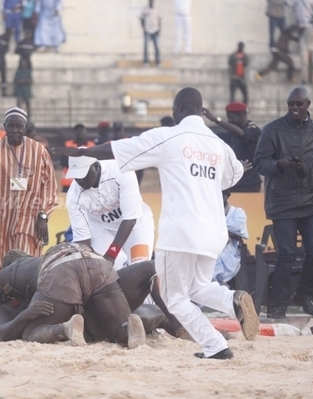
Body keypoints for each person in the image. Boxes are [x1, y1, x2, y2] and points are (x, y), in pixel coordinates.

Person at [54, 87, 259, 360]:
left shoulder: (170, 137)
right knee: (197, 287)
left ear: (178, 109)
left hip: (181, 233)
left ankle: (215, 343)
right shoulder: (219, 145)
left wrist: (82, 150)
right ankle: (231, 304)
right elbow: (233, 175)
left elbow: (120, 148)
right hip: (213, 232)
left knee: (174, 298)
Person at [0, 249, 188, 343]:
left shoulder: (10, 274)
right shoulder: (36, 263)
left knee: (30, 332)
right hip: (94, 261)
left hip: (62, 274)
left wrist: (25, 315)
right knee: (118, 330)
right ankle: (174, 323)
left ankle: (64, 329)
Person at [253, 87, 313, 320]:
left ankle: (304, 295)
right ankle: (277, 305)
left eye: (299, 104)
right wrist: (281, 164)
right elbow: (259, 163)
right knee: (287, 254)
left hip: (311, 202)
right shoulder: (272, 130)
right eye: (291, 104)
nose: (294, 108)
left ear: (308, 104)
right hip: (282, 203)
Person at [0, 106, 58, 302]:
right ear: (5, 127)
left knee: (24, 263)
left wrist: (43, 216)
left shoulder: (39, 152)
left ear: (25, 128)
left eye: (19, 126)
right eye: (11, 126)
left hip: (27, 219)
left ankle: (22, 308)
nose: (15, 130)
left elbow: (49, 187)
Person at [66, 157, 155, 270]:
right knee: (100, 268)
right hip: (101, 228)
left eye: (83, 174)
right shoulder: (73, 196)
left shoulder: (121, 171)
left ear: (96, 167)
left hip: (136, 225)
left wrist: (112, 254)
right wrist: (88, 262)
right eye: (76, 176)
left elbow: (130, 219)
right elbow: (82, 240)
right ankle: (121, 262)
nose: (80, 180)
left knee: (139, 268)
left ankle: (123, 262)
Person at [202, 102, 262, 192]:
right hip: (231, 183)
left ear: (241, 115)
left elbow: (242, 134)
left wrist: (217, 120)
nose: (229, 121)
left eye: (231, 118)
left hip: (248, 184)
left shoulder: (253, 129)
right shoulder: (229, 134)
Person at [213, 190, 248, 286]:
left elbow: (237, 228)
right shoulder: (209, 213)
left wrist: (216, 230)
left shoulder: (238, 213)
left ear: (227, 196)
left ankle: (221, 290)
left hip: (231, 251)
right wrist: (225, 232)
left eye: (221, 195)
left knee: (212, 262)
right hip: (212, 248)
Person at [292, 0, 313, 84]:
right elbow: (300, 26)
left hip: (312, 45)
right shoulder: (306, 25)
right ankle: (304, 79)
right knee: (304, 62)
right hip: (304, 44)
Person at [59, 123, 95, 192]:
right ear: (74, 133)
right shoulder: (67, 144)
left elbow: (94, 162)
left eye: (82, 130)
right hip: (69, 182)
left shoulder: (92, 145)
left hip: (86, 182)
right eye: (78, 130)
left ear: (85, 132)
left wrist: (74, 160)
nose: (80, 132)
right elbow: (63, 161)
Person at [140, 0, 161, 67]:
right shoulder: (145, 9)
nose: (151, 2)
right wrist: (144, 28)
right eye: (150, 1)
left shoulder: (157, 9)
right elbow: (141, 19)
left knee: (157, 47)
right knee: (146, 47)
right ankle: (146, 62)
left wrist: (159, 30)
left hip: (155, 30)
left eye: (152, 1)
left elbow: (159, 20)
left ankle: (158, 62)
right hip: (147, 31)